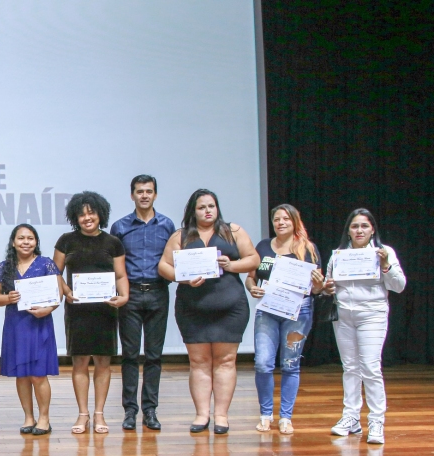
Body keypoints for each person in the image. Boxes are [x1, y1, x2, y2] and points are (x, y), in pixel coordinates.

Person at [158, 189, 259, 434]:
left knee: (226, 361)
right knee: (199, 362)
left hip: (230, 308)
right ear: (193, 210)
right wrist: (182, 278)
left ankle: (221, 416)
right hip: (192, 309)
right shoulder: (181, 235)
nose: (207, 211)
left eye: (211, 206)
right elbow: (163, 266)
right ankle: (202, 415)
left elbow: (253, 259)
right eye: (202, 207)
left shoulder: (232, 231)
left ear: (217, 208)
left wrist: (231, 265)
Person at [324, 208, 406, 444]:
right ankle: (351, 417)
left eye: (364, 226)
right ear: (348, 231)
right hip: (344, 315)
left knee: (370, 367)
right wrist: (327, 287)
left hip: (372, 314)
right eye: (354, 226)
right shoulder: (339, 254)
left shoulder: (384, 252)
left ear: (372, 230)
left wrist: (386, 266)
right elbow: (330, 285)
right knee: (350, 367)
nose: (359, 230)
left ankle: (376, 420)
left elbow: (399, 286)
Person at [245, 204, 325, 435]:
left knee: (290, 364)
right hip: (268, 310)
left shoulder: (308, 249)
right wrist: (252, 289)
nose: (280, 223)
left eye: (285, 219)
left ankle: (286, 417)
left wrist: (318, 282)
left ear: (295, 222)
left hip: (298, 313)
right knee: (263, 362)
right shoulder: (262, 246)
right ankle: (265, 414)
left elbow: (317, 289)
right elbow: (251, 278)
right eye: (276, 219)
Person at [53, 191, 129, 435]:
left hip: (105, 310)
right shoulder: (66, 241)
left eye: (91, 212)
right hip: (77, 311)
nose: (87, 218)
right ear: (76, 217)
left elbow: (120, 275)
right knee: (80, 362)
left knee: (103, 363)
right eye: (82, 214)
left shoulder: (113, 243)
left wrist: (125, 296)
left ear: (100, 214)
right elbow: (55, 272)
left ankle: (99, 414)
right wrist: (65, 291)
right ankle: (83, 414)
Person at [110, 175, 176, 431]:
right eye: (140, 191)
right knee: (129, 355)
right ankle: (129, 410)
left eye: (149, 191)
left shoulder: (167, 225)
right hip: (131, 295)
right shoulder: (120, 227)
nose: (144, 195)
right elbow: (114, 266)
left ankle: (150, 410)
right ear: (132, 195)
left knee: (154, 355)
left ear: (155, 195)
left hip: (159, 292)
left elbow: (174, 260)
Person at [0, 224, 61, 435]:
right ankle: (28, 417)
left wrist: (47, 310)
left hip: (39, 324)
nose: (26, 242)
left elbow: (57, 294)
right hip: (16, 325)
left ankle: (44, 418)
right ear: (13, 242)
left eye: (30, 238)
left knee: (38, 375)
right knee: (22, 374)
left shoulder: (46, 264)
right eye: (21, 238)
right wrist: (7, 298)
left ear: (36, 242)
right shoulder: (4, 267)